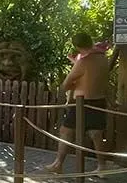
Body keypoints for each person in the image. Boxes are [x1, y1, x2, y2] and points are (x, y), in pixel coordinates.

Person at [46, 32, 110, 173]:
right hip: (99, 100)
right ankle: (102, 166)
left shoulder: (83, 62)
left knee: (66, 131)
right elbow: (92, 75)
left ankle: (58, 164)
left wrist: (75, 78)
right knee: (96, 134)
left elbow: (66, 84)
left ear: (77, 46)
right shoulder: (103, 58)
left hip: (82, 102)